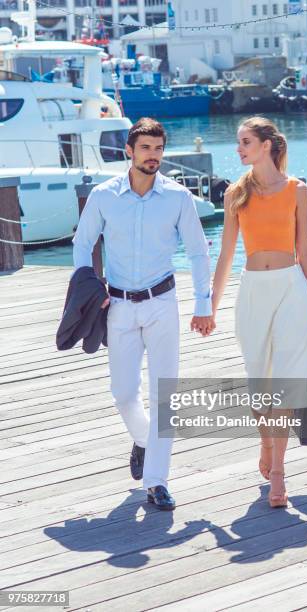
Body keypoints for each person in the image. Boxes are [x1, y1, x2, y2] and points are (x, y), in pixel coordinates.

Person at [72, 118, 215, 511]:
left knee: (163, 393)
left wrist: (204, 304)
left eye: (158, 149)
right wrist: (89, 286)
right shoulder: (104, 196)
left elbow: (199, 252)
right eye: (146, 149)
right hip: (116, 306)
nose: (153, 156)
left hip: (162, 305)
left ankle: (157, 481)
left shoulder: (178, 197)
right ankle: (143, 440)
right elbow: (83, 244)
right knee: (122, 393)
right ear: (129, 153)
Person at [211, 116, 307, 508]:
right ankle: (266, 443)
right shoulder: (235, 193)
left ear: (266, 145)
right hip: (253, 290)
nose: (239, 149)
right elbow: (226, 254)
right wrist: (210, 305)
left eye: (245, 141)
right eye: (239, 142)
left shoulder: (298, 190)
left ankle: (278, 473)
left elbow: (305, 250)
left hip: (291, 289)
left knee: (286, 382)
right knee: (259, 382)